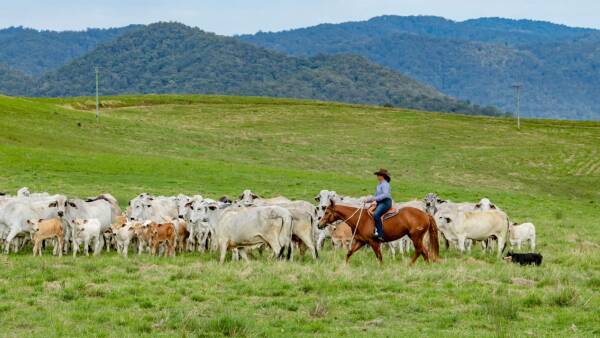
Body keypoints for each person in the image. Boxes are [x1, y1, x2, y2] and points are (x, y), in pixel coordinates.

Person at [364, 169, 392, 242]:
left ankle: (380, 234)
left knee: (376, 214)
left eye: (378, 175)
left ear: (382, 176)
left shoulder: (385, 184)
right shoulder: (379, 185)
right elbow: (376, 196)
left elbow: (385, 195)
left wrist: (373, 198)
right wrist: (369, 200)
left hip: (385, 202)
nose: (377, 176)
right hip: (380, 202)